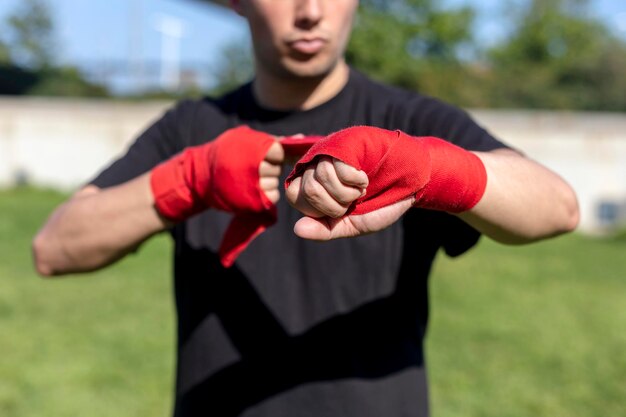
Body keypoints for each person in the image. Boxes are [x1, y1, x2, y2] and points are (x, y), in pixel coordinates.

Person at [32, 1, 579, 416]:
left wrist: (431, 168)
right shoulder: (192, 129)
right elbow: (55, 249)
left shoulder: (408, 121)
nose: (310, 12)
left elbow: (558, 207)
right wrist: (191, 178)